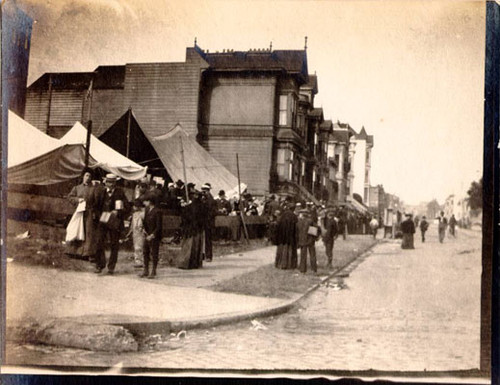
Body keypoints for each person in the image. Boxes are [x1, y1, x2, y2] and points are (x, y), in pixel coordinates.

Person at [94, 173, 129, 275]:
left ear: (115, 183)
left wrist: (118, 212)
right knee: (99, 242)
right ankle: (99, 265)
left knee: (114, 244)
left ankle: (111, 267)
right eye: (108, 182)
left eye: (112, 182)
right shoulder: (101, 192)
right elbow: (95, 207)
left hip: (115, 222)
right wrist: (100, 215)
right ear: (105, 182)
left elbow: (127, 207)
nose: (110, 184)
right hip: (103, 221)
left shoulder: (120, 193)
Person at [65, 168, 101, 262]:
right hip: (79, 212)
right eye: (86, 175)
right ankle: (73, 252)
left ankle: (88, 254)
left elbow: (97, 201)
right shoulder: (77, 188)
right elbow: (69, 197)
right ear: (83, 176)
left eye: (90, 176)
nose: (88, 178)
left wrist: (94, 210)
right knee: (76, 230)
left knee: (88, 233)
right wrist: (77, 200)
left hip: (89, 213)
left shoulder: (94, 189)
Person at [178, 190, 205, 269]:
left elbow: (184, 218)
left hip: (191, 229)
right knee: (196, 246)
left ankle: (186, 263)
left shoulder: (189, 207)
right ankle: (195, 263)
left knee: (189, 246)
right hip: (196, 229)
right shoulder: (201, 206)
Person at [140, 193, 163, 279]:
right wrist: (143, 229)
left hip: (154, 236)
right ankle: (146, 270)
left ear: (150, 202)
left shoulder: (157, 211)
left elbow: (159, 226)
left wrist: (153, 235)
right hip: (147, 234)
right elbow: (145, 221)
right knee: (145, 252)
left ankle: (153, 270)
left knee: (154, 253)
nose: (144, 203)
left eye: (145, 201)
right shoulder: (147, 209)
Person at [275, 203, 298, 270]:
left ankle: (279, 264)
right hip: (290, 237)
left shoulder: (283, 215)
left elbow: (278, 225)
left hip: (282, 236)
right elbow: (296, 228)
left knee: (281, 250)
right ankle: (289, 265)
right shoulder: (294, 216)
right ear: (293, 208)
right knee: (289, 250)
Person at [124, 199, 145, 268]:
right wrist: (129, 232)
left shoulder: (143, 214)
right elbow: (132, 224)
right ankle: (138, 260)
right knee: (136, 246)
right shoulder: (134, 214)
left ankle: (140, 261)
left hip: (140, 231)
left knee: (140, 246)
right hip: (135, 231)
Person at [296, 210, 319, 274]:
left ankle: (303, 270)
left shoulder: (298, 222)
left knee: (303, 256)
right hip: (310, 241)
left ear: (302, 215)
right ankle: (314, 269)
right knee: (312, 255)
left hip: (302, 241)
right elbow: (314, 230)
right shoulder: (310, 221)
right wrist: (315, 238)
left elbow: (297, 233)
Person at [201, 183, 216, 261]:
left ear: (208, 191)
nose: (203, 192)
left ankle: (208, 256)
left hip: (208, 222)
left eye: (204, 191)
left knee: (208, 239)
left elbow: (210, 210)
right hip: (203, 222)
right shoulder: (204, 199)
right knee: (203, 239)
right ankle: (203, 255)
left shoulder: (210, 199)